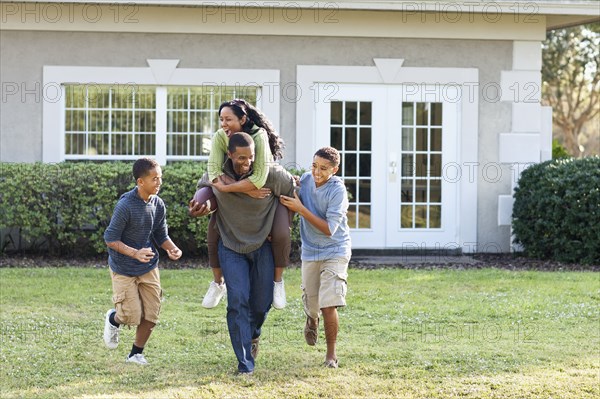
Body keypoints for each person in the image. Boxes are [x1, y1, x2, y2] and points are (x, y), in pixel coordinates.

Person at [190, 132, 296, 374]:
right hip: (230, 245)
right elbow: (204, 194)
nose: (246, 162)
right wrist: (201, 206)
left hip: (263, 245)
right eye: (240, 158)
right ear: (229, 154)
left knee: (260, 304)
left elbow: (293, 193)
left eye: (250, 158)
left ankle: (253, 335)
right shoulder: (216, 174)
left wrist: (281, 226)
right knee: (237, 301)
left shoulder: (271, 173)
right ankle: (245, 363)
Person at [194, 99, 291, 310]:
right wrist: (226, 188)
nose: (223, 124)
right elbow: (213, 173)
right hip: (231, 188)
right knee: (214, 229)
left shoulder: (259, 136)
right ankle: (218, 283)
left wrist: (227, 187)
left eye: (228, 119)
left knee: (282, 233)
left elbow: (258, 179)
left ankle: (278, 282)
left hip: (263, 186)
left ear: (243, 119)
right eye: (221, 119)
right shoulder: (221, 137)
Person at [103, 157, 182, 365]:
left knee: (152, 313)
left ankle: (135, 354)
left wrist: (171, 248)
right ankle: (113, 318)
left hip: (148, 266)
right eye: (154, 179)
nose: (159, 183)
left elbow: (160, 234)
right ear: (140, 182)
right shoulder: (126, 205)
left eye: (160, 178)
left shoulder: (158, 203)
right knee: (131, 315)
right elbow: (110, 238)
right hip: (123, 267)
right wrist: (135, 253)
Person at [279, 147, 351, 369]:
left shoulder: (338, 192)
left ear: (335, 170)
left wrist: (300, 208)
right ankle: (312, 318)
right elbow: (292, 189)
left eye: (323, 169)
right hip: (311, 251)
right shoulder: (308, 180)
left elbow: (330, 228)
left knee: (329, 304)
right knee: (312, 303)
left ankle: (331, 356)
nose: (317, 172)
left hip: (335, 250)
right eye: (314, 166)